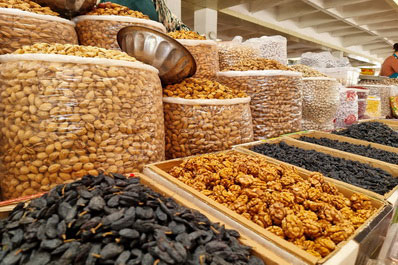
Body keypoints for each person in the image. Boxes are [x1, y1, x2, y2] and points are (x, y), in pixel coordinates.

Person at [98, 0, 190, 32]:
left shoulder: (156, 2)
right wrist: (93, 9)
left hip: (146, 63)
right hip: (103, 59)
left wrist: (200, 40)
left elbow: (175, 27)